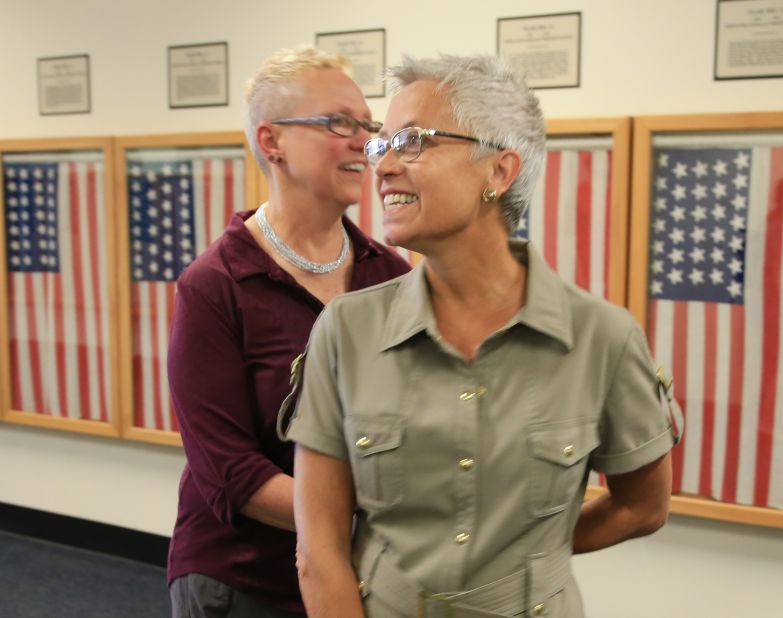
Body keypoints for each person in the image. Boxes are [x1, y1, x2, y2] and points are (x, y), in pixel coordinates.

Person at [285, 54, 684, 618]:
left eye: (414, 142)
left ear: (499, 171)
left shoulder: (603, 337)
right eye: (382, 145)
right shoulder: (347, 332)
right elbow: (318, 550)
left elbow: (641, 508)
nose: (384, 165)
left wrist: (526, 567)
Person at [166, 47, 411, 618]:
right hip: (244, 583)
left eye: (368, 127)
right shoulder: (215, 285)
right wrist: (382, 505)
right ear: (271, 141)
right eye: (338, 123)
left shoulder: (391, 276)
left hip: (360, 574)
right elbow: (230, 472)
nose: (364, 143)